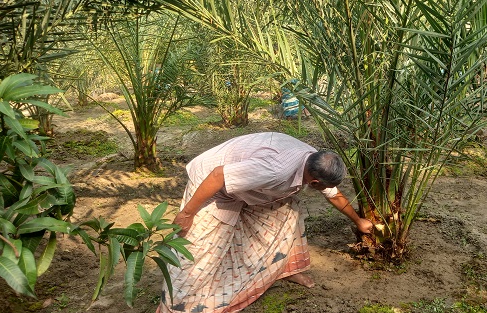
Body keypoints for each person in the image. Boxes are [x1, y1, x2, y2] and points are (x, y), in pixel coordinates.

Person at [156, 132, 373, 313]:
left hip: (247, 182)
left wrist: (358, 221)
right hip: (211, 185)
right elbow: (217, 176)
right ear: (314, 182)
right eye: (320, 186)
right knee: (198, 249)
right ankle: (177, 305)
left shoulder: (314, 159)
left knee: (287, 214)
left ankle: (284, 269)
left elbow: (333, 194)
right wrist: (187, 213)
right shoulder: (276, 171)